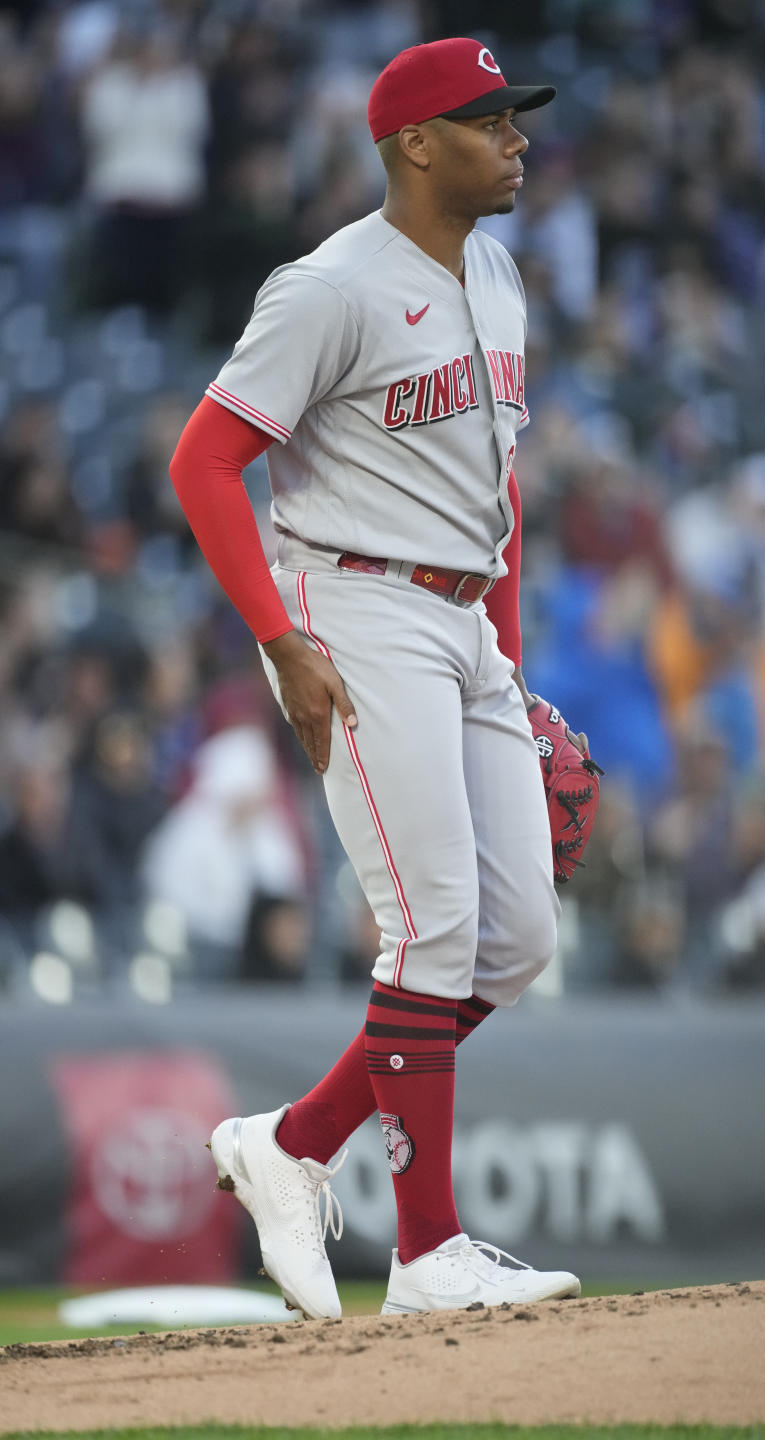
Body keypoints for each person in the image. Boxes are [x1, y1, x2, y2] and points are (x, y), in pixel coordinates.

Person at [169, 37, 583, 1318]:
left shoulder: (502, 275)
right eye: (488, 119)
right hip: (352, 606)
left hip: (462, 625)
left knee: (512, 939)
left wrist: (510, 664)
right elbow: (202, 464)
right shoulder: (329, 286)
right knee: (433, 925)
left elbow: (495, 492)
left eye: (514, 118)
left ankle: (290, 1144)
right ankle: (427, 1251)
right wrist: (282, 640)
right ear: (414, 144)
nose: (514, 137)